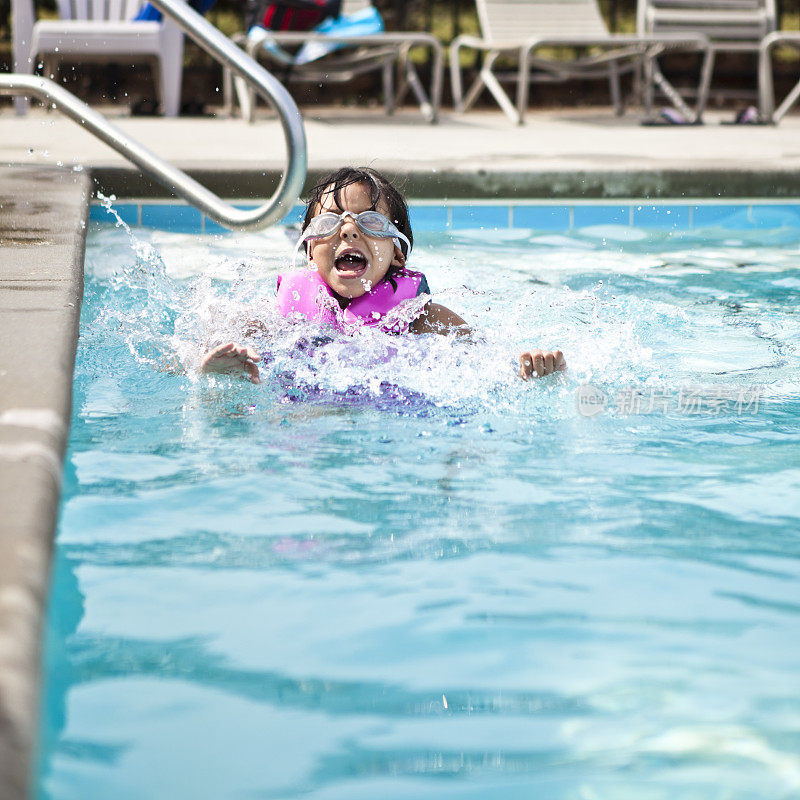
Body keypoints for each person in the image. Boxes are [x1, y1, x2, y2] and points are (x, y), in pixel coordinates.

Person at [201, 167, 566, 383]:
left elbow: (490, 361)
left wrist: (529, 371)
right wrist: (211, 367)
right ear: (310, 249)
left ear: (397, 254)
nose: (347, 231)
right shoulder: (283, 316)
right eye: (329, 223)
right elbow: (186, 357)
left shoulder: (421, 318)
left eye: (371, 222)